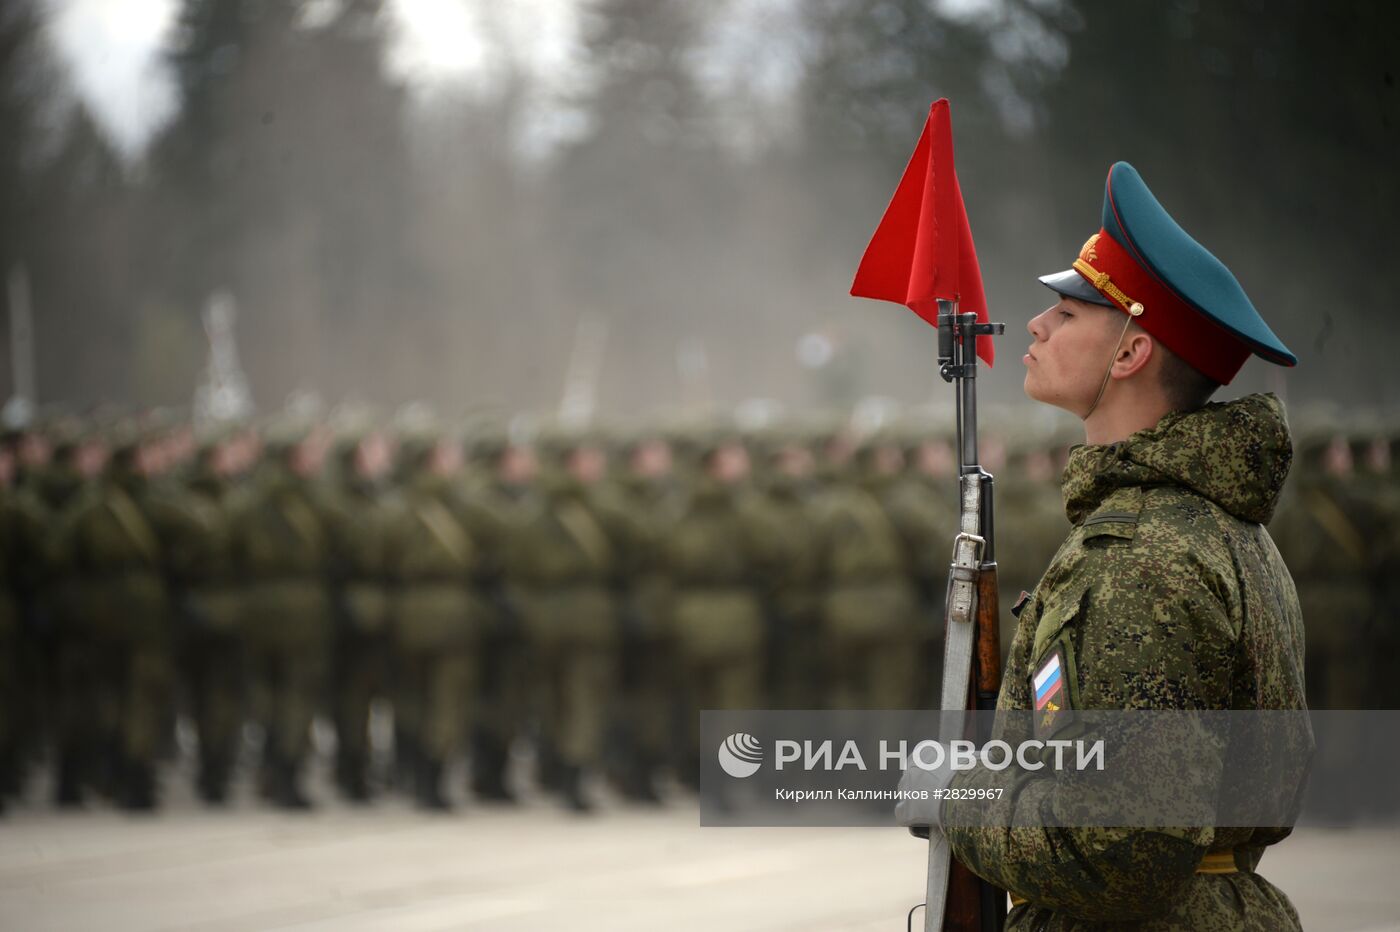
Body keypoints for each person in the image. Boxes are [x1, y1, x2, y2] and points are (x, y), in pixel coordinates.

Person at [897, 161, 1310, 929]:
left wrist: (956, 793)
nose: (1038, 325)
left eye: (1071, 312)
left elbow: (1118, 846)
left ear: (1129, 354)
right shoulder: (1210, 525)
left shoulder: (1142, 557)